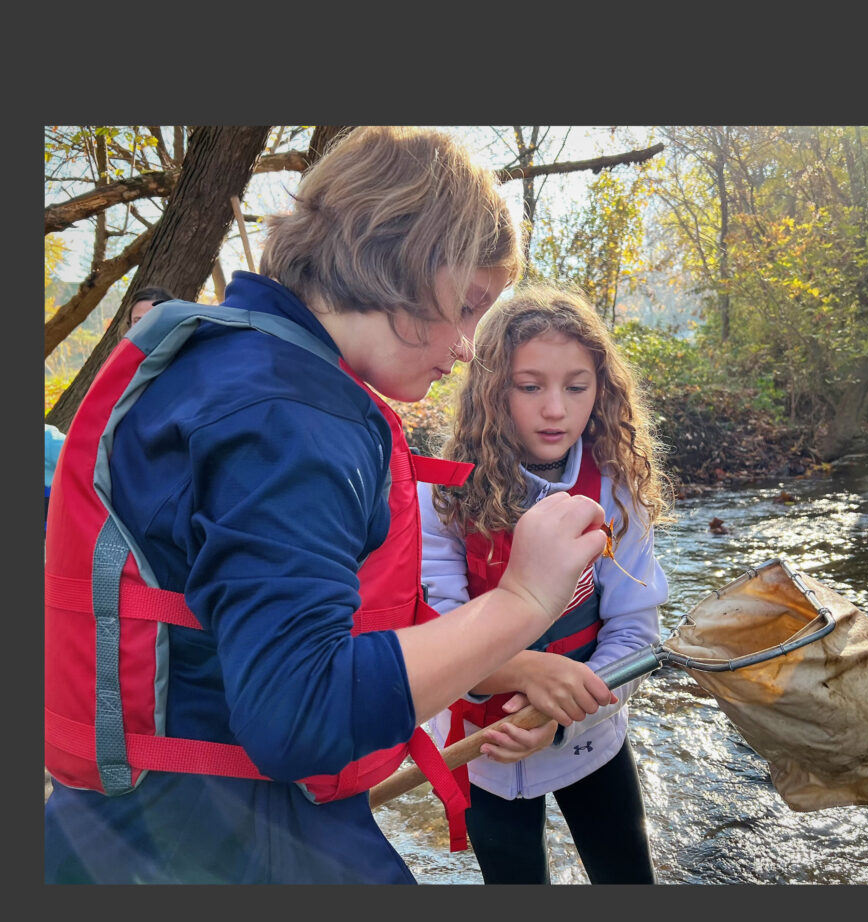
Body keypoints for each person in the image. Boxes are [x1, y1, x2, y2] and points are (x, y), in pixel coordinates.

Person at [43, 126, 614, 884]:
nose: (472, 345)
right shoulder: (293, 415)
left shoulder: (233, 364)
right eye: (470, 305)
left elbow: (284, 612)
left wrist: (503, 666)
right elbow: (298, 713)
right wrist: (523, 599)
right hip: (227, 843)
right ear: (403, 262)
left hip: (126, 830)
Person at [420, 285, 669, 884]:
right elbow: (431, 637)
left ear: (600, 390)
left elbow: (636, 631)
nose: (555, 409)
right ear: (490, 389)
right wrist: (519, 681)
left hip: (590, 735)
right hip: (482, 752)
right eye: (529, 387)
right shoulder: (442, 497)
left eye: (576, 387)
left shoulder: (616, 490)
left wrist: (561, 716)